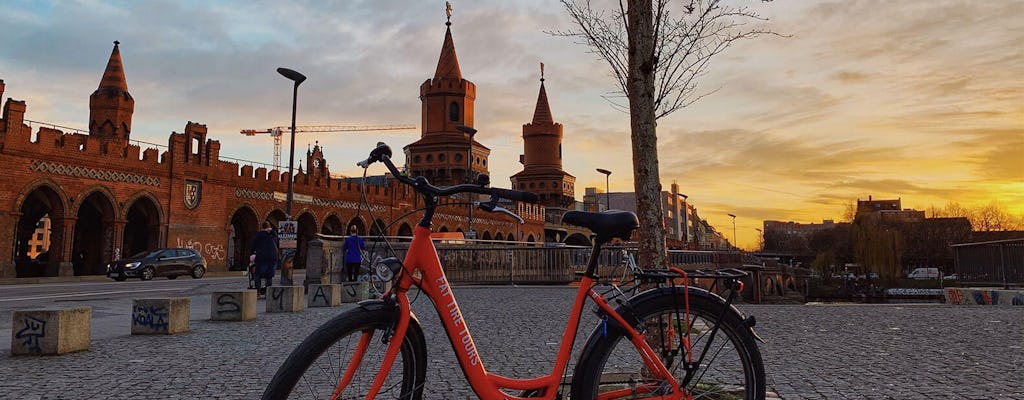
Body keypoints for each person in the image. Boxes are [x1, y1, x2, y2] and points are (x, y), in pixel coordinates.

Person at [250, 222, 279, 297]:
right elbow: (277, 239)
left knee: (257, 275)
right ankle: (268, 293)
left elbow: (253, 246)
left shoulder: (258, 235)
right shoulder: (272, 235)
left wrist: (253, 254)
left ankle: (258, 292)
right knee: (269, 276)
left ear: (262, 227)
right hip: (272, 258)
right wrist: (272, 230)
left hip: (261, 258)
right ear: (269, 227)